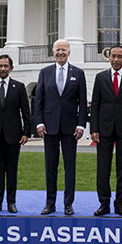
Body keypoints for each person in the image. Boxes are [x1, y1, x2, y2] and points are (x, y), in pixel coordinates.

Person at [34, 39, 88, 215]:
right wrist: (39, 122)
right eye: (57, 49)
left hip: (70, 128)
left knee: (69, 167)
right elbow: (39, 101)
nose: (60, 52)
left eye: (63, 49)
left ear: (69, 52)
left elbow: (82, 102)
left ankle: (68, 204)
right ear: (53, 52)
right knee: (51, 166)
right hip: (49, 127)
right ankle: (50, 203)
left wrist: (81, 125)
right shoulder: (45, 72)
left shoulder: (78, 73)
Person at [90, 45, 122, 217]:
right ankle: (104, 203)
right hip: (103, 129)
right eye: (113, 56)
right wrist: (94, 128)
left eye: (120, 56)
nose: (116, 59)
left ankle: (120, 203)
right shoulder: (100, 77)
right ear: (109, 58)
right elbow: (95, 104)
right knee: (103, 169)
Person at [0, 54, 32, 214]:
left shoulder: (19, 86)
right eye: (0, 66)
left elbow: (26, 112)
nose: (3, 69)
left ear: (11, 68)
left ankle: (11, 202)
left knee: (12, 170)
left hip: (14, 135)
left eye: (6, 66)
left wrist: (26, 133)